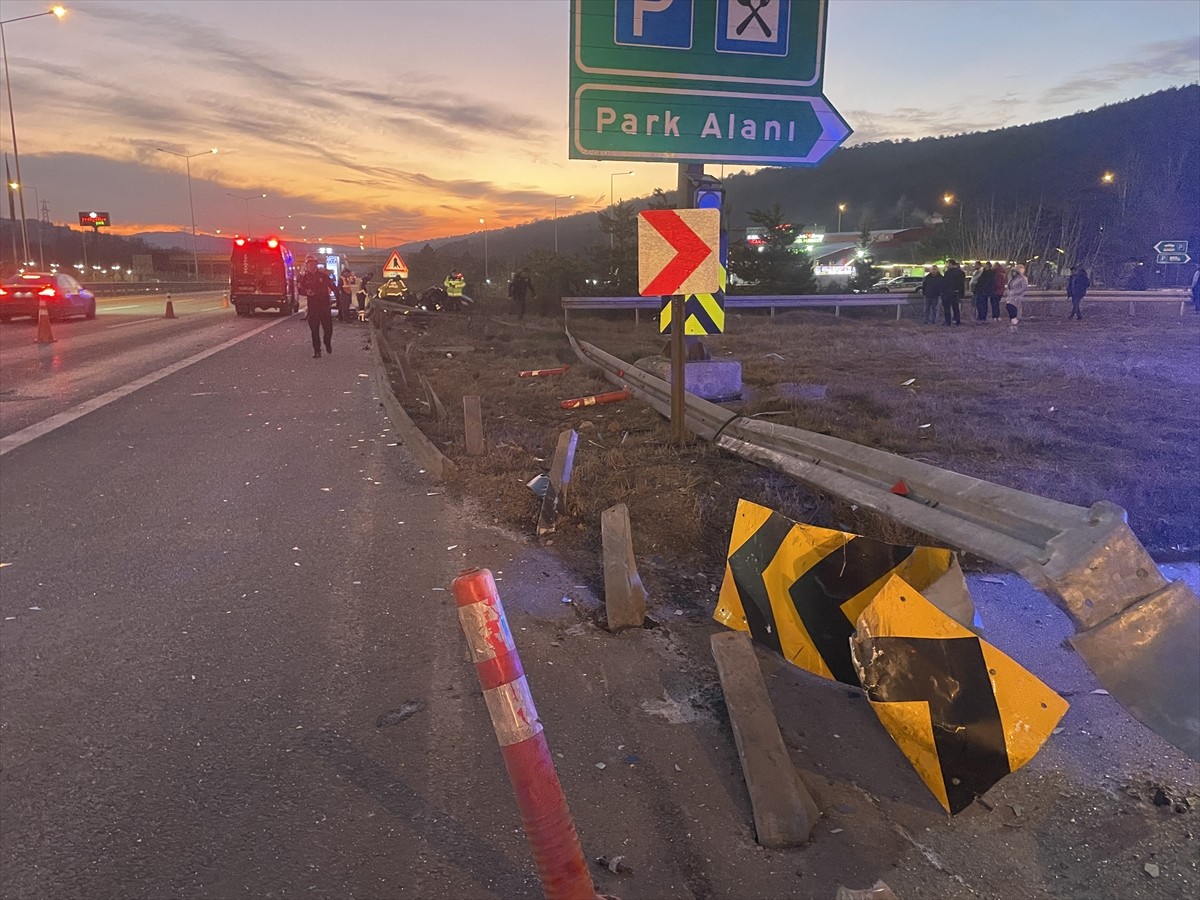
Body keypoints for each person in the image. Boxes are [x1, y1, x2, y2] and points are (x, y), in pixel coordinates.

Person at [298, 256, 337, 358]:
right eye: (310, 265)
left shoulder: (323, 276)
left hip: (324, 306)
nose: (312, 267)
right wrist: (307, 292)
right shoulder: (305, 278)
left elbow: (333, 287)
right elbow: (300, 290)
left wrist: (339, 300)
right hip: (313, 308)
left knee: (328, 329)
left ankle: (327, 342)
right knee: (314, 331)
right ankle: (317, 351)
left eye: (314, 264)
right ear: (307, 266)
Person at [1005, 263, 1029, 332]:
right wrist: (1008, 292)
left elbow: (1024, 288)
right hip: (1010, 297)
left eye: (1014, 271)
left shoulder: (1023, 279)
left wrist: (1015, 292)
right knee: (1009, 308)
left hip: (1017, 297)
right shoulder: (1012, 279)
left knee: (1013, 309)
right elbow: (1009, 287)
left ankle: (1014, 324)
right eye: (1012, 271)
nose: (1013, 273)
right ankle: (1014, 324)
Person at [940, 259, 965, 325]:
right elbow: (962, 284)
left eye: (947, 264)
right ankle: (957, 321)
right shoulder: (961, 272)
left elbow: (945, 283)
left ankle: (948, 322)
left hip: (948, 292)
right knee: (956, 308)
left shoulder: (948, 273)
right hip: (956, 292)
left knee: (947, 308)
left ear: (950, 264)